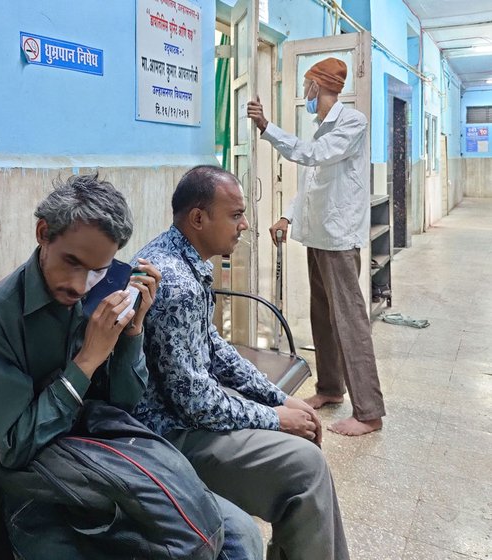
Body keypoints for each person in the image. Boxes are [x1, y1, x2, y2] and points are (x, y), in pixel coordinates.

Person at [0, 174, 263, 559]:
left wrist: (133, 333)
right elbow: (13, 448)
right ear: (43, 234)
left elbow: (124, 404)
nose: (80, 285)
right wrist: (87, 360)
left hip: (106, 456)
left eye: (97, 270)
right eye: (71, 261)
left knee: (237, 536)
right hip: (26, 486)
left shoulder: (111, 284)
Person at [132, 165, 349, 560]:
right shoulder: (175, 283)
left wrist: (276, 399)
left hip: (188, 416)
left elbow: (213, 346)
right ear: (198, 218)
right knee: (305, 467)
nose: (245, 225)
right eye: (235, 215)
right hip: (168, 438)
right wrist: (276, 418)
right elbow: (194, 403)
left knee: (300, 448)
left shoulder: (180, 257)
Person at [247, 57, 385, 436]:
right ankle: (329, 388)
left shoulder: (352, 123)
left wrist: (267, 127)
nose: (304, 92)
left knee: (350, 321)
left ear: (319, 86)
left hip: (339, 240)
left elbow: (312, 156)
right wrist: (287, 217)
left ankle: (369, 412)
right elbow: (311, 183)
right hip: (317, 236)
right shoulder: (320, 127)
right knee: (322, 316)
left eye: (307, 85)